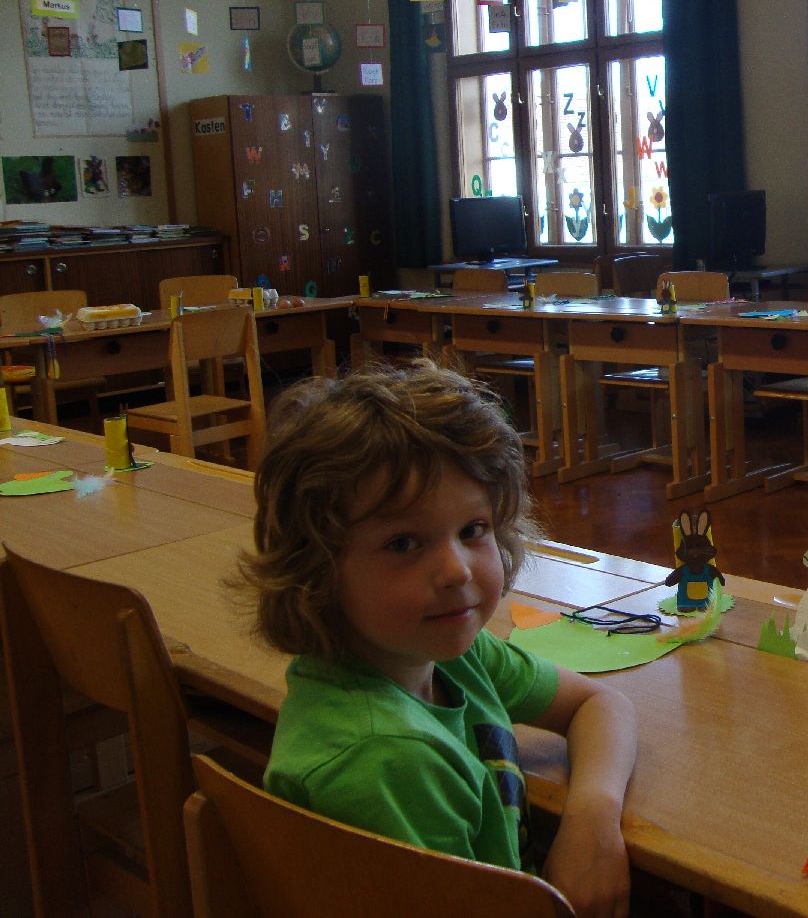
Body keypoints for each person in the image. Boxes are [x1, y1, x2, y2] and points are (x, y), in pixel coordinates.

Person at [243, 361, 637, 917]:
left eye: (472, 530)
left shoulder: (446, 653)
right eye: (404, 543)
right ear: (317, 570)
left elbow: (600, 703)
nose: (456, 570)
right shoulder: (386, 759)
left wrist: (592, 818)